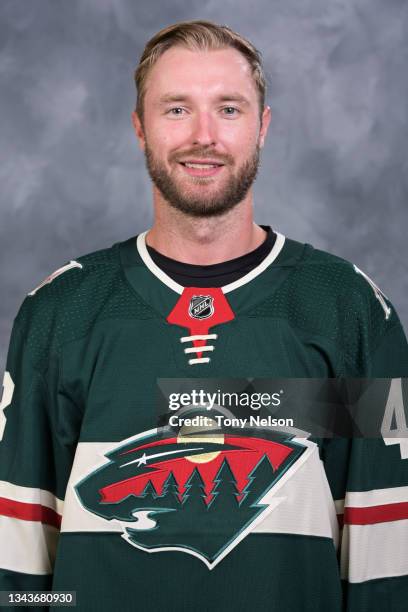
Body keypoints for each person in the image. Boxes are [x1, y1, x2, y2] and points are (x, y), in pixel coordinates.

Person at [0, 19, 407, 612]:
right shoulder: (59, 312)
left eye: (230, 109)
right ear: (139, 127)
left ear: (263, 126)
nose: (204, 136)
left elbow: (385, 555)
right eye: (176, 110)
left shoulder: (351, 310)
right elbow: (20, 568)